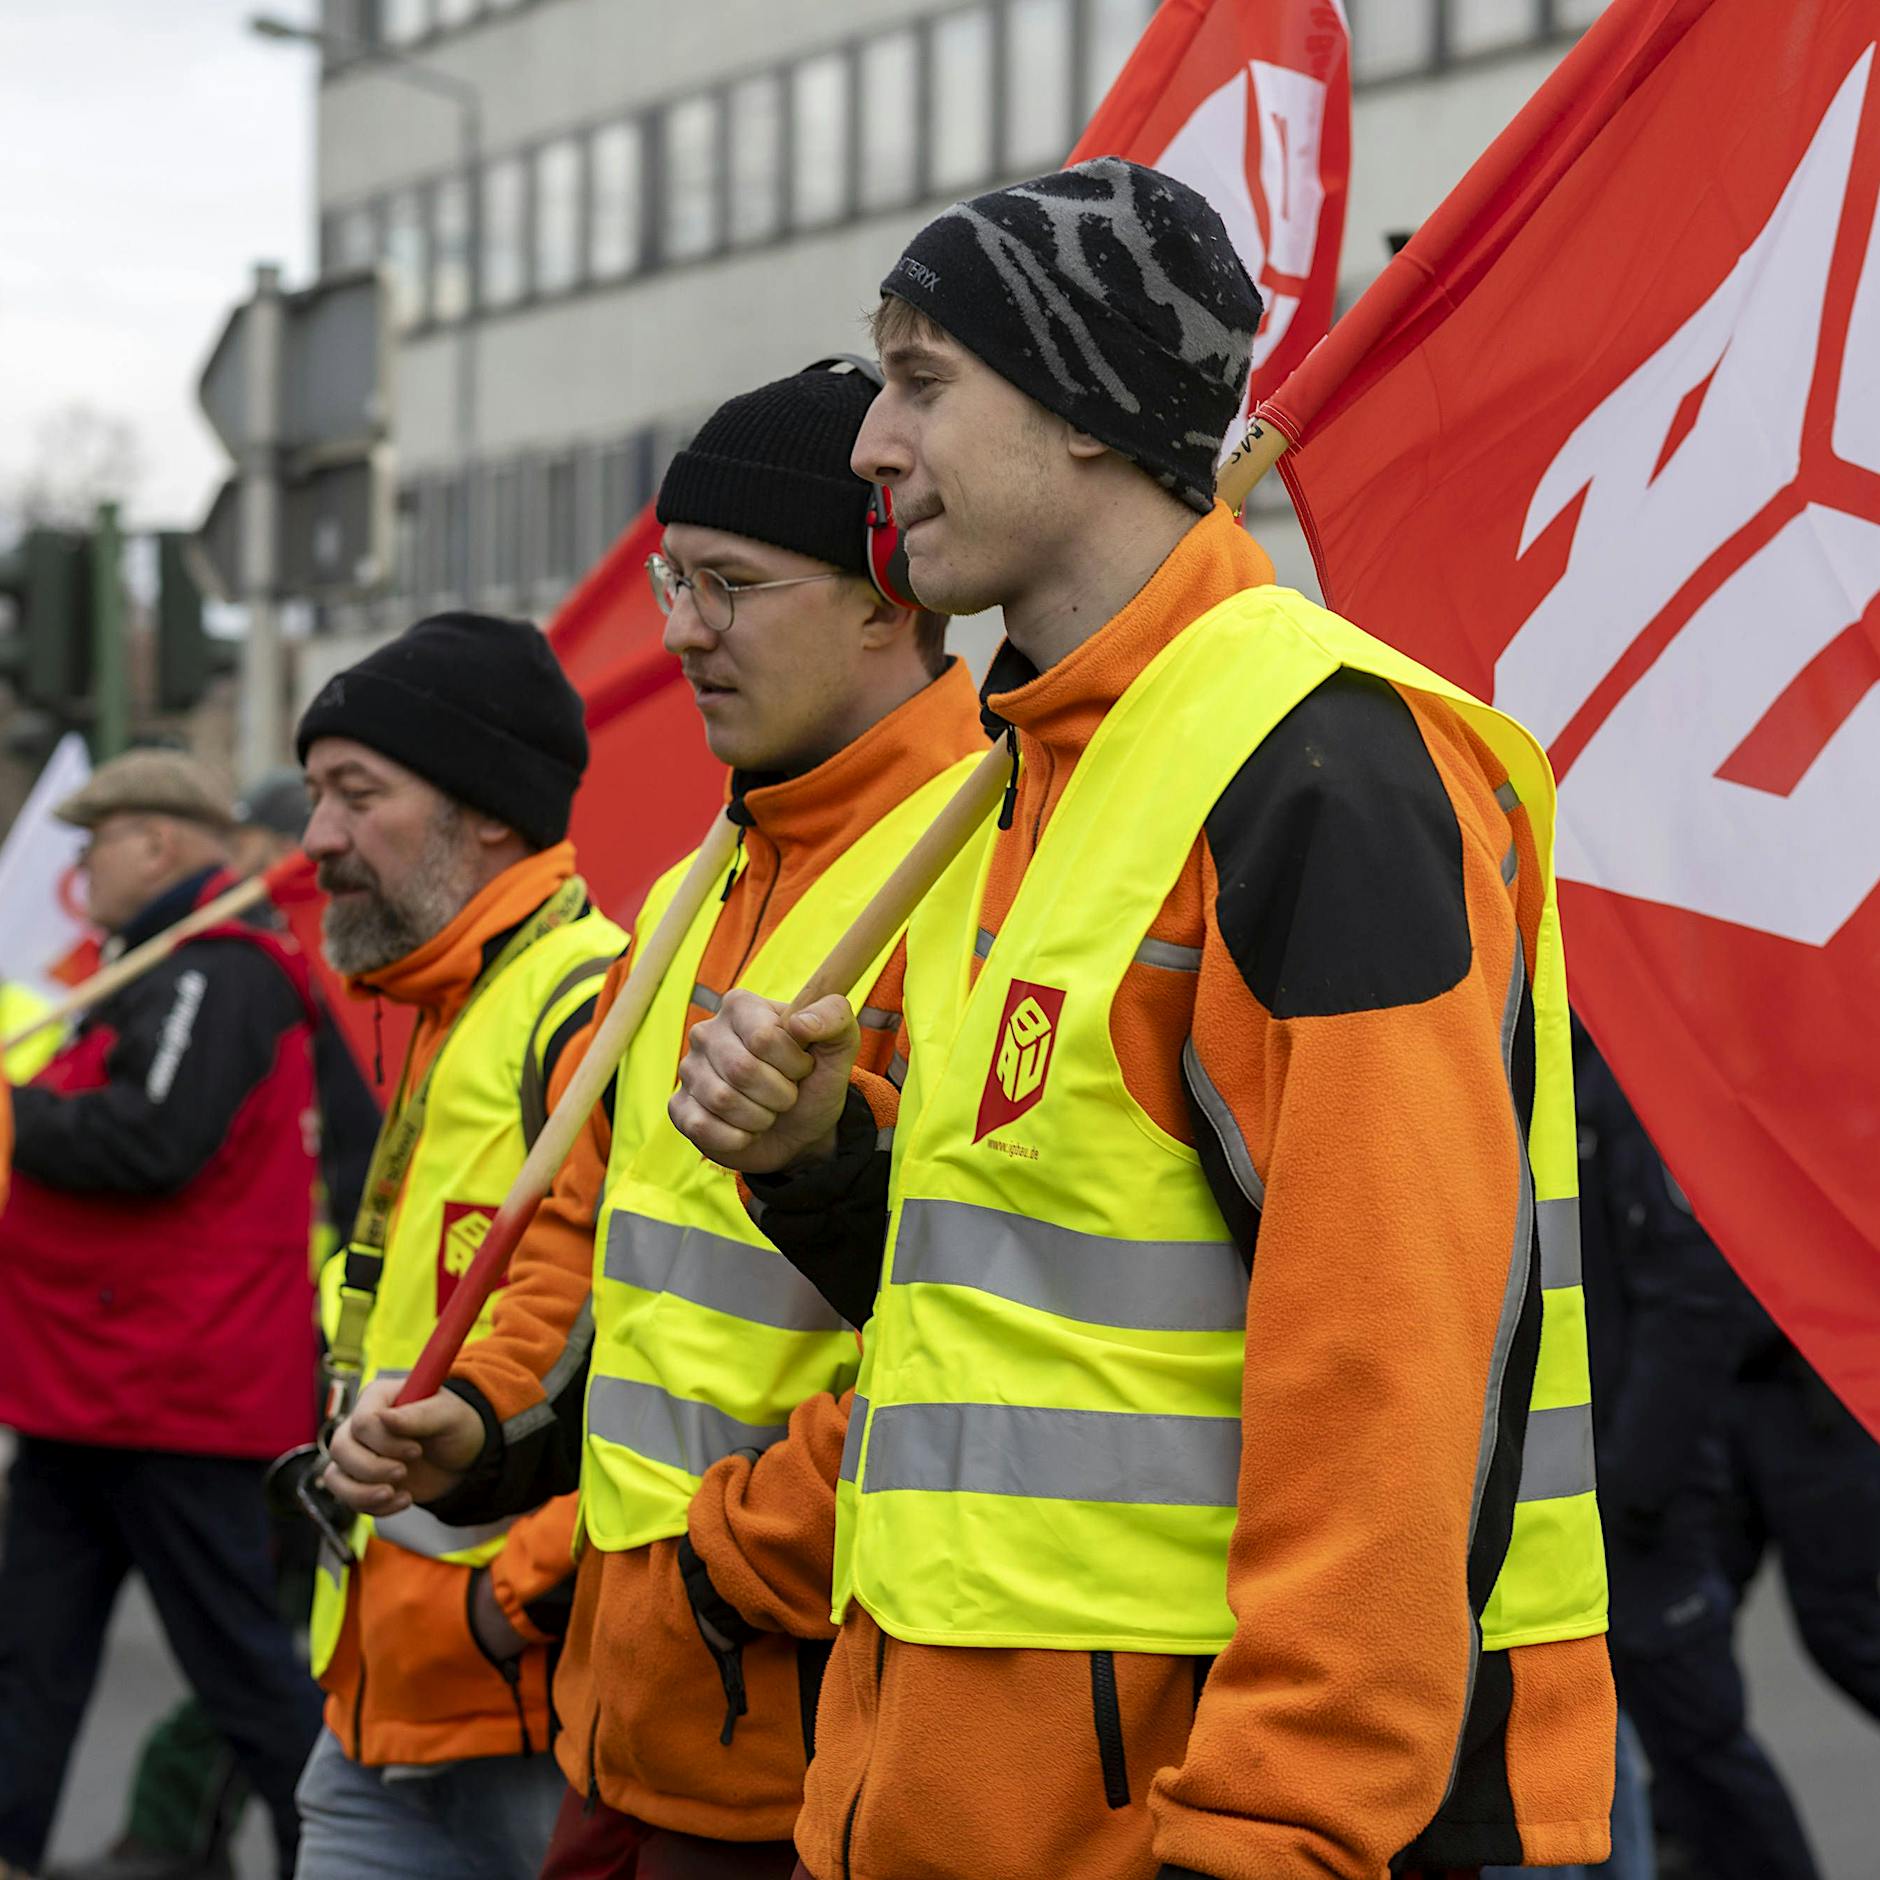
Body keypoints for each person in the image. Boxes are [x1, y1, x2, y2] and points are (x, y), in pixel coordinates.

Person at [669, 159, 1617, 1879]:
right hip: (948, 1794)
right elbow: (1020, 1323)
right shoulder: (1020, 782)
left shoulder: (1316, 765)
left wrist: (1277, 1830)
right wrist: (822, 1166)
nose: (872, 445)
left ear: (1092, 412)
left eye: (922, 379)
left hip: (1203, 1818)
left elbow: (1390, 1367)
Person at [318, 361, 984, 1875]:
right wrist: (477, 1425)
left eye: (730, 585)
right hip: (636, 1717)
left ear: (889, 593)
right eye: (678, 579)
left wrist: (728, 1556)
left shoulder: (982, 868)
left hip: (818, 1726)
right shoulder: (702, 883)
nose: (680, 628)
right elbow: (583, 1240)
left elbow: (992, 1324)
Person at [284, 613, 628, 1880]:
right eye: (316, 793)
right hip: (373, 1705)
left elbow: (663, 1352)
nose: (316, 837)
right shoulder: (443, 1003)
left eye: (355, 795)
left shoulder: (589, 1004)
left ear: (487, 811)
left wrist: (513, 1598)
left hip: (522, 1716)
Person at [47, 765, 381, 1880]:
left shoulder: (218, 972)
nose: (78, 867)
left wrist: (12, 1116)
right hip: (98, 1381)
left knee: (243, 1655)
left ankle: (315, 1850)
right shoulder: (153, 969)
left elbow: (154, 1138)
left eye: (95, 841)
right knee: (31, 1652)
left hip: (192, 1382)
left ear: (153, 843)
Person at [1574, 1032, 1880, 1880]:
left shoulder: (1637, 1070)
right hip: (1715, 1420)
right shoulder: (1590, 1064)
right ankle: (1686, 1839)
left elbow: (1689, 1298)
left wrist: (1633, 1483)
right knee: (1678, 1701)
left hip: (1799, 1407)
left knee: (1845, 1633)